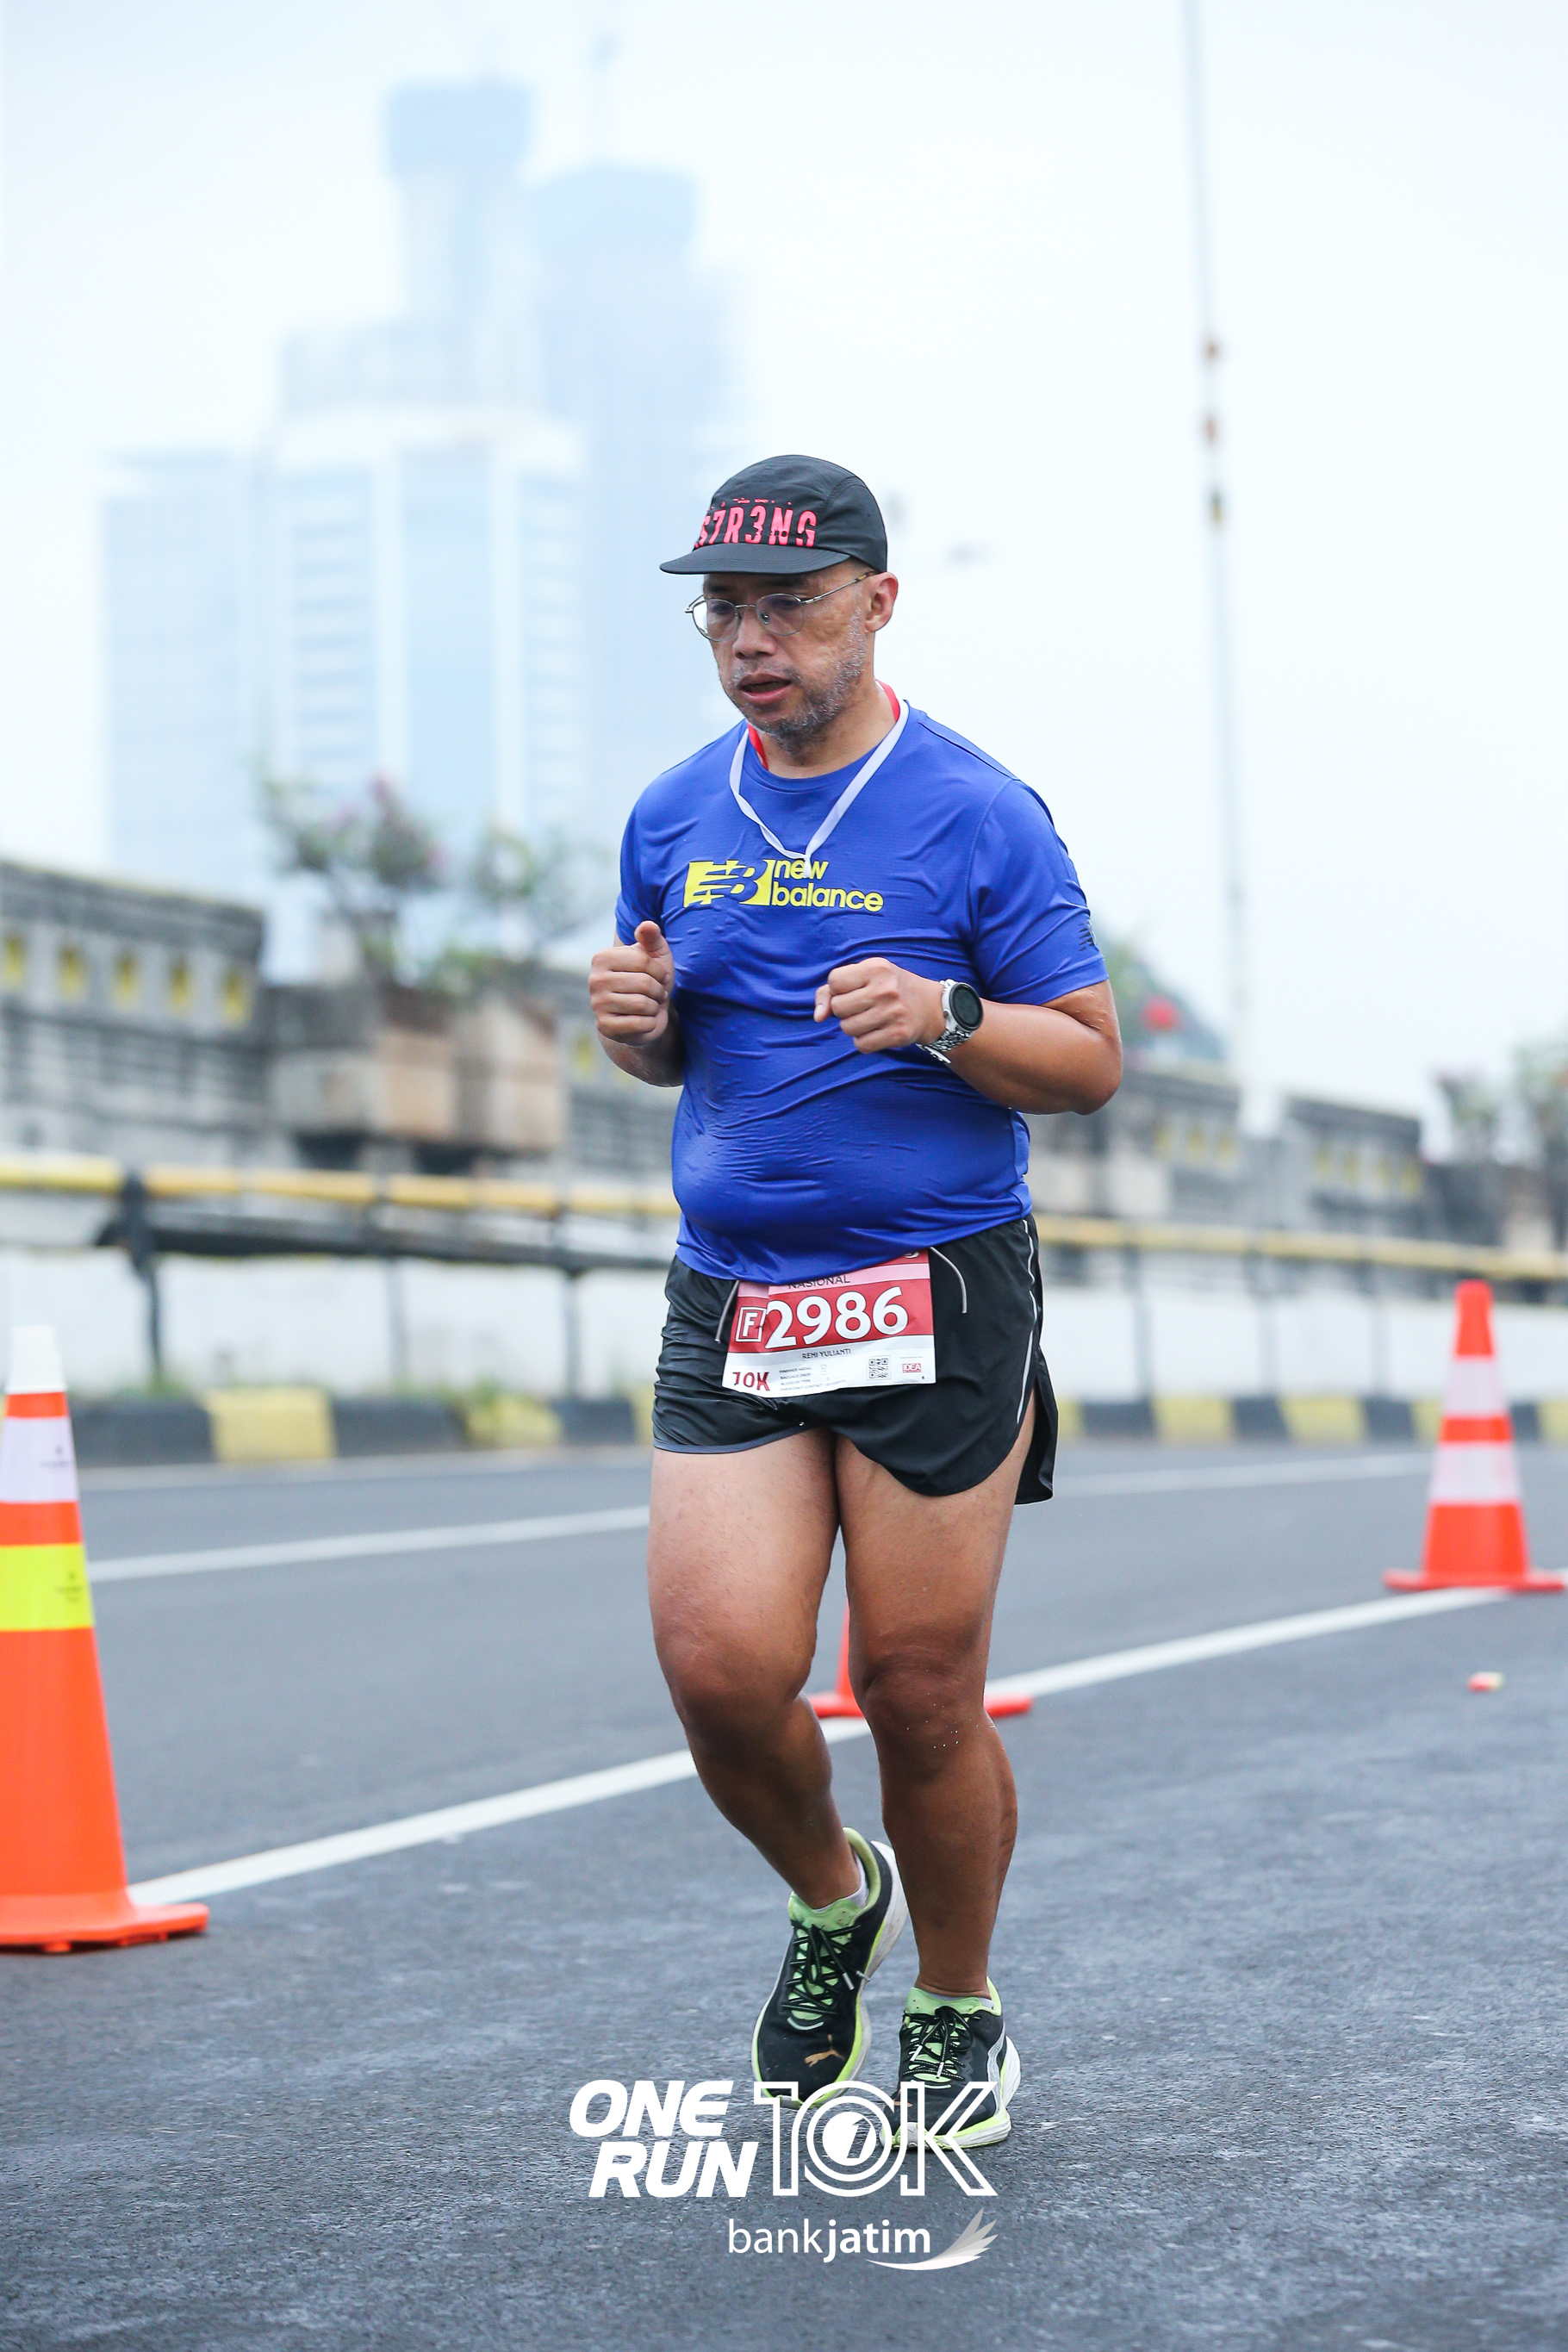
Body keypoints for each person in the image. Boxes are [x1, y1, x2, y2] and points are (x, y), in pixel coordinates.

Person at [589, 455, 1121, 2146]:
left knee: (912, 1683)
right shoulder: (672, 815)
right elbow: (682, 1043)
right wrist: (640, 1033)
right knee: (719, 1673)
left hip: (935, 1289)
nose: (753, 642)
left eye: (789, 606)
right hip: (738, 1297)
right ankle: (836, 1894)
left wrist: (949, 1016)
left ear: (876, 604)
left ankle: (956, 2000)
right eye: (724, 613)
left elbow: (1089, 1060)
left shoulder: (977, 811)